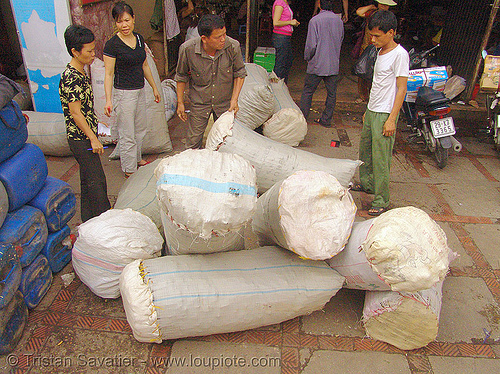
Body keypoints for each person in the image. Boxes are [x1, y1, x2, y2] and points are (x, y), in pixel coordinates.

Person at [350, 9, 408, 216]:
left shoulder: (400, 55)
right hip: (373, 110)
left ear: (391, 32)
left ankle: (382, 199)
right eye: (371, 35)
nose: (372, 39)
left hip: (385, 113)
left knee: (381, 158)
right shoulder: (379, 52)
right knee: (365, 151)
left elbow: (401, 88)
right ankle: (367, 184)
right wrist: (368, 109)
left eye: (377, 35)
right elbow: (377, 85)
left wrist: (392, 119)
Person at [103, 1, 161, 178]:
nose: (124, 25)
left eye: (127, 20)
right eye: (120, 21)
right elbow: (109, 74)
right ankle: (129, 169)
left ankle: (136, 159)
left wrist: (154, 87)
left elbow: (144, 65)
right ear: (115, 23)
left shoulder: (139, 38)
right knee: (127, 133)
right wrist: (108, 99)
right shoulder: (112, 45)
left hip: (140, 89)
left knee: (140, 129)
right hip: (123, 94)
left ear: (133, 19)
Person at [59, 25, 111, 222]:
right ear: (75, 51)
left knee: (87, 182)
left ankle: (88, 222)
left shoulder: (80, 72)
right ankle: (106, 224)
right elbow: (75, 112)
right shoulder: (71, 77)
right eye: (89, 51)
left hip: (85, 136)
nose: (92, 54)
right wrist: (93, 139)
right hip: (81, 140)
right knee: (97, 184)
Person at [175, 14, 246, 149]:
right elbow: (181, 76)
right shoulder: (187, 49)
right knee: (193, 143)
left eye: (224, 34)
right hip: (199, 103)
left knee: (228, 142)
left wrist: (234, 100)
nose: (223, 39)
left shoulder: (232, 46)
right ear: (204, 39)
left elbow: (240, 73)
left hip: (225, 103)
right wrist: (180, 102)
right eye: (218, 37)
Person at [299, 0, 344, 128]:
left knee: (308, 91)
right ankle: (326, 119)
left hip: (317, 64)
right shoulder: (339, 21)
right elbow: (340, 40)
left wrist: (307, 57)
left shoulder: (315, 21)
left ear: (319, 5)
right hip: (333, 65)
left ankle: (303, 118)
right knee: (331, 93)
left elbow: (311, 45)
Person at [354, 0, 397, 104]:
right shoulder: (372, 13)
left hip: (381, 49)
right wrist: (371, 6)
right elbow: (359, 12)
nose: (383, 6)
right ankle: (363, 95)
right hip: (367, 47)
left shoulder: (390, 18)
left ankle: (373, 97)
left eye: (386, 5)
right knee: (363, 71)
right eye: (381, 3)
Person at [272, 0, 300, 83]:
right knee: (281, 63)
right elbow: (276, 22)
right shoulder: (280, 2)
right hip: (281, 37)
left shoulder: (285, 3)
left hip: (285, 36)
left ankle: (282, 84)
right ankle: (277, 87)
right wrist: (290, 22)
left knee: (287, 61)